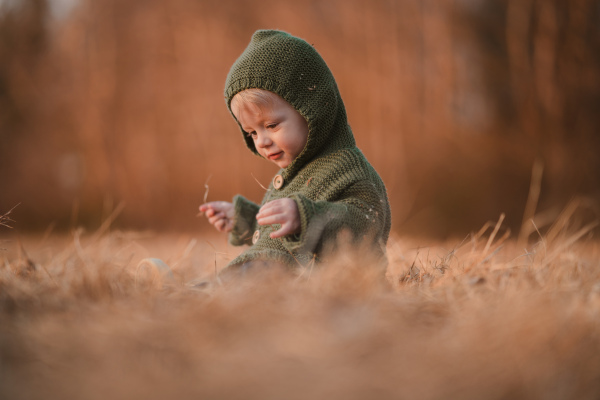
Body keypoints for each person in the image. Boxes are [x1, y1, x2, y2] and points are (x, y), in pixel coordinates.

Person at [199, 30, 391, 270]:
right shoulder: (298, 171)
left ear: (313, 110)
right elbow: (280, 235)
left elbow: (365, 224)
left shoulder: (349, 170)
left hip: (318, 287)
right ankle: (187, 293)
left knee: (241, 280)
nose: (262, 141)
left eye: (271, 125)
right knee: (232, 284)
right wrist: (246, 219)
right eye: (252, 133)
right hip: (273, 274)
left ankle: (194, 293)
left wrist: (307, 217)